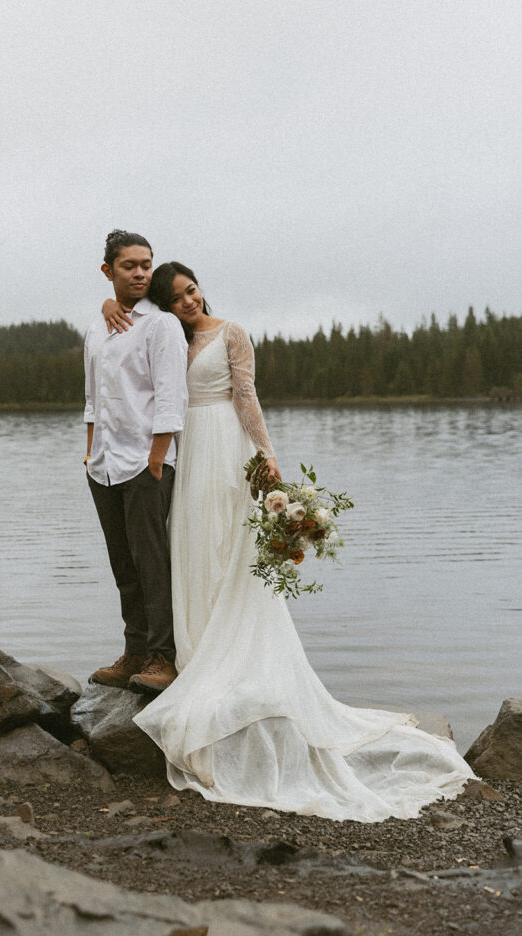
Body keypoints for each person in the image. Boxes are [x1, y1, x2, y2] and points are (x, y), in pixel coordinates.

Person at [103, 262, 475, 822]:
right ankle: (193, 649)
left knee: (233, 549)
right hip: (187, 450)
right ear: (164, 305)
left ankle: (233, 658)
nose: (190, 300)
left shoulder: (231, 332)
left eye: (192, 289)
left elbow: (246, 395)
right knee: (192, 548)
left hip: (226, 446)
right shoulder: (162, 334)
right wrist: (110, 308)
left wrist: (267, 457)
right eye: (177, 296)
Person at [84, 233, 188, 694]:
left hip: (146, 465)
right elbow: (92, 399)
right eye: (129, 265)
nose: (142, 272)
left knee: (152, 564)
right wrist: (90, 452)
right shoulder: (97, 328)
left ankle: (163, 658)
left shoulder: (160, 325)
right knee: (123, 565)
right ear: (108, 271)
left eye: (147, 264)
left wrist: (157, 460)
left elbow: (170, 398)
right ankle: (134, 652)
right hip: (103, 465)